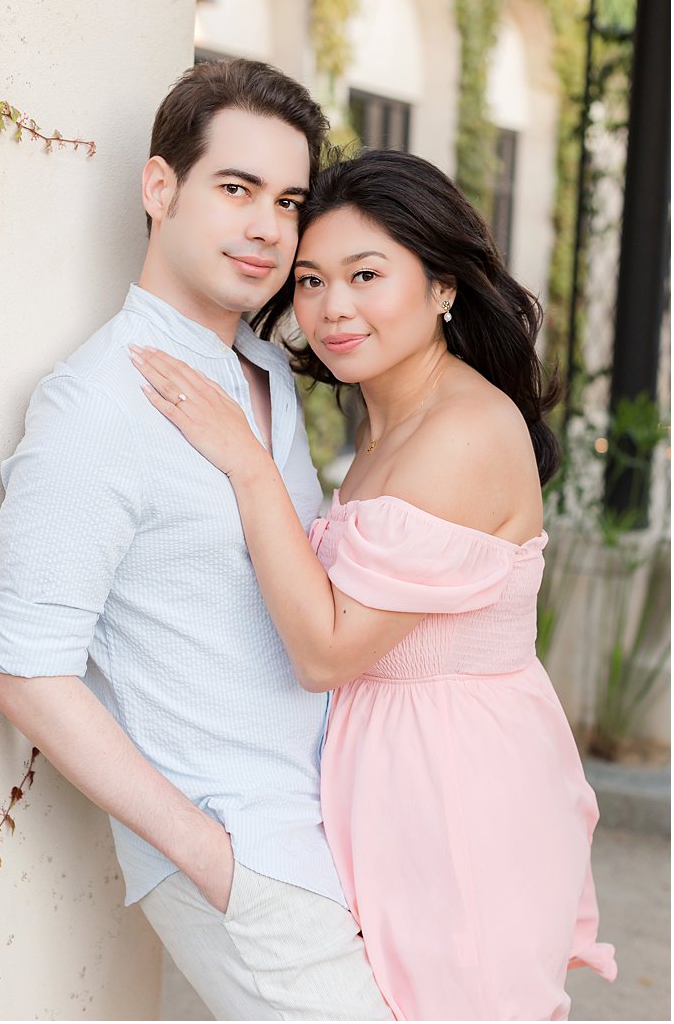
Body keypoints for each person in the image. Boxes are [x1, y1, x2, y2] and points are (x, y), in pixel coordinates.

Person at [133, 146, 617, 1019]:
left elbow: (326, 649)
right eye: (311, 281)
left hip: (454, 786)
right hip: (388, 773)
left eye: (366, 274)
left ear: (442, 288)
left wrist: (247, 463)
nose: (333, 308)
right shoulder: (391, 417)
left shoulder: (462, 431)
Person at [0, 58, 391, 1019]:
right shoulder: (96, 406)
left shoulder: (268, 372)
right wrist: (211, 855)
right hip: (245, 850)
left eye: (287, 201)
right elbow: (26, 671)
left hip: (334, 831)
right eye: (236, 188)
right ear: (160, 187)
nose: (266, 228)